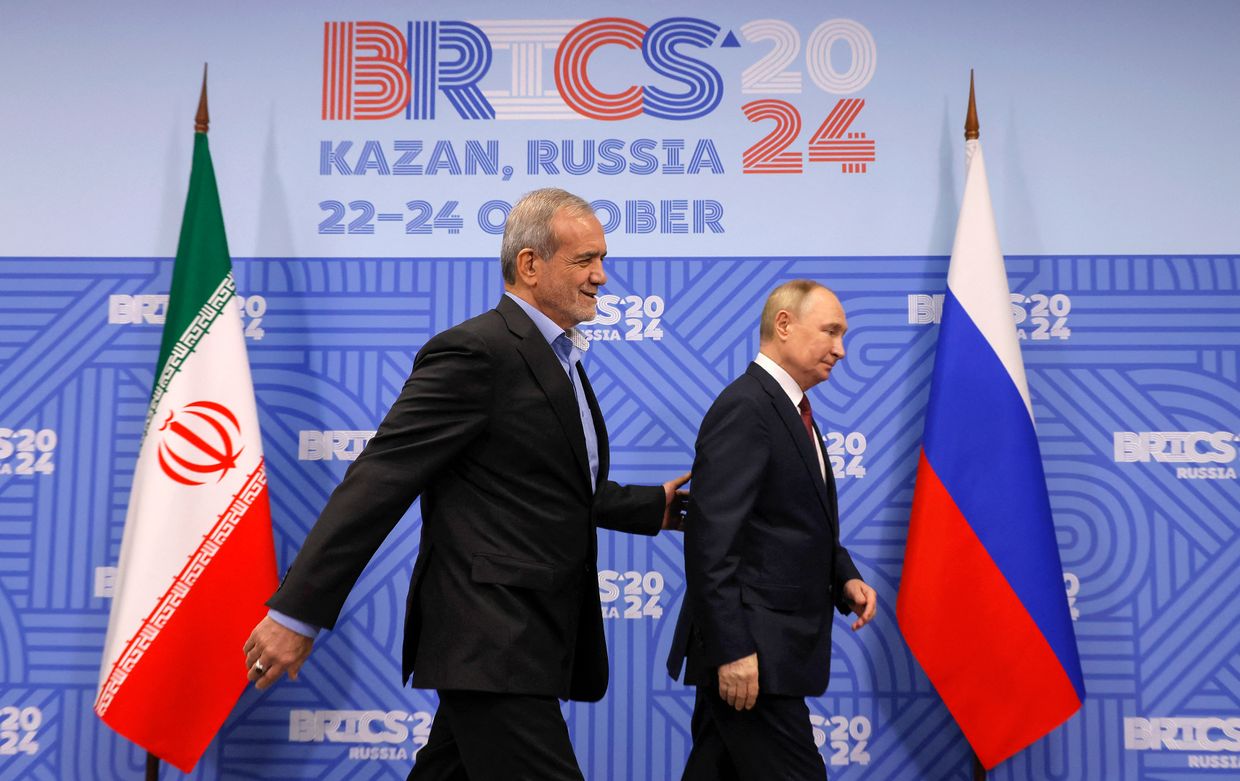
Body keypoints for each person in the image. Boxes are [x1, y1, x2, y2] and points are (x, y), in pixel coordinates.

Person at [243, 188, 689, 780]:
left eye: (601, 259)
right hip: (491, 638)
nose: (602, 276)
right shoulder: (477, 351)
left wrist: (647, 506)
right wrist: (297, 613)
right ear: (530, 265)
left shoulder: (559, 358)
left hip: (523, 638)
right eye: (585, 261)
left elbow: (548, 485)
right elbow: (379, 480)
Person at [666, 280, 877, 780]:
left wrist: (842, 576)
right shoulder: (748, 407)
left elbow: (790, 522)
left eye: (843, 335)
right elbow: (711, 542)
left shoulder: (790, 408)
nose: (841, 350)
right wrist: (734, 649)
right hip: (753, 655)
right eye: (830, 331)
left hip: (769, 653)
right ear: (784, 325)